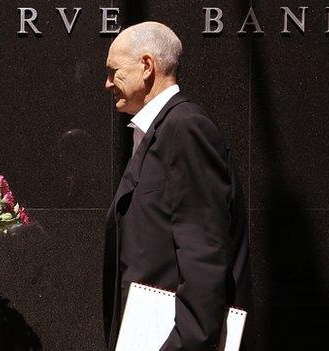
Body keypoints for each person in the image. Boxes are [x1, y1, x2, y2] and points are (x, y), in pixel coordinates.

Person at [102, 22, 253, 350]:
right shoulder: (158, 130)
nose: (107, 83)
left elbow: (204, 254)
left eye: (114, 72)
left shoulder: (185, 129)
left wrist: (184, 344)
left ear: (146, 66)